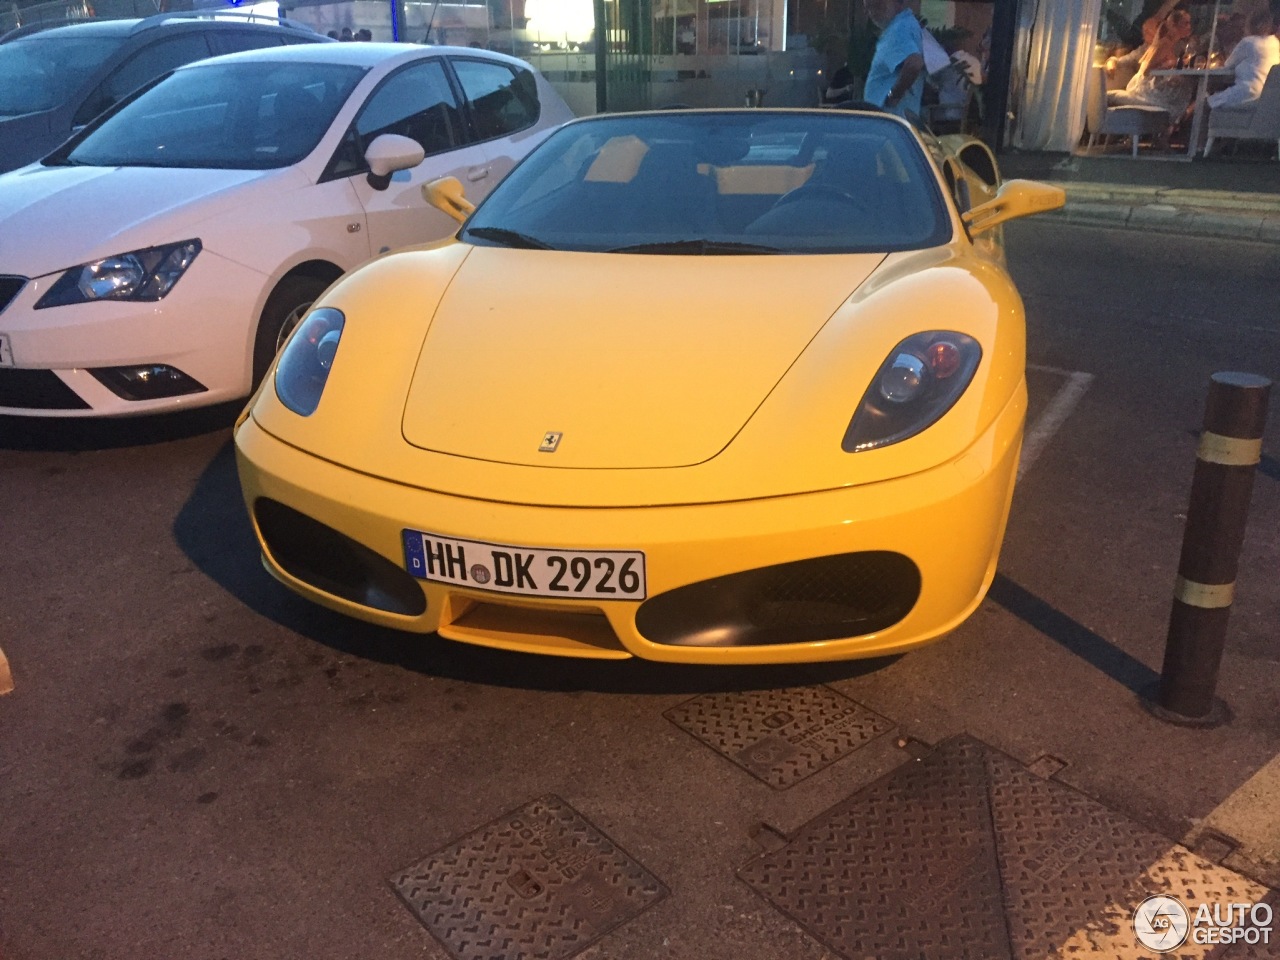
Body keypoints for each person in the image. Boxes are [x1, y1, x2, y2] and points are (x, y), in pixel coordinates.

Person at [1107, 8, 1196, 125]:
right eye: (1186, 23)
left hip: (1150, 85)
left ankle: (1164, 135)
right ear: (1174, 25)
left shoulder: (1174, 44)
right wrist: (1171, 64)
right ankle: (1170, 126)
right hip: (1145, 89)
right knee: (1183, 92)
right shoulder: (1164, 43)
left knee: (1186, 89)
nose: (1189, 26)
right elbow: (1147, 70)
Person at [863, 0, 926, 118]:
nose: (870, 13)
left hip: (890, 122)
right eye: (867, 7)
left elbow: (914, 63)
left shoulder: (899, 28)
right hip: (892, 122)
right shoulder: (901, 25)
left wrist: (894, 95)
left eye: (875, 4)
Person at [1207, 11, 1279, 109]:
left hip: (1246, 93)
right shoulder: (1275, 43)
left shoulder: (1248, 42)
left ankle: (1193, 123)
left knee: (1207, 102)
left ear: (1250, 25)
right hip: (1265, 96)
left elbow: (1228, 64)